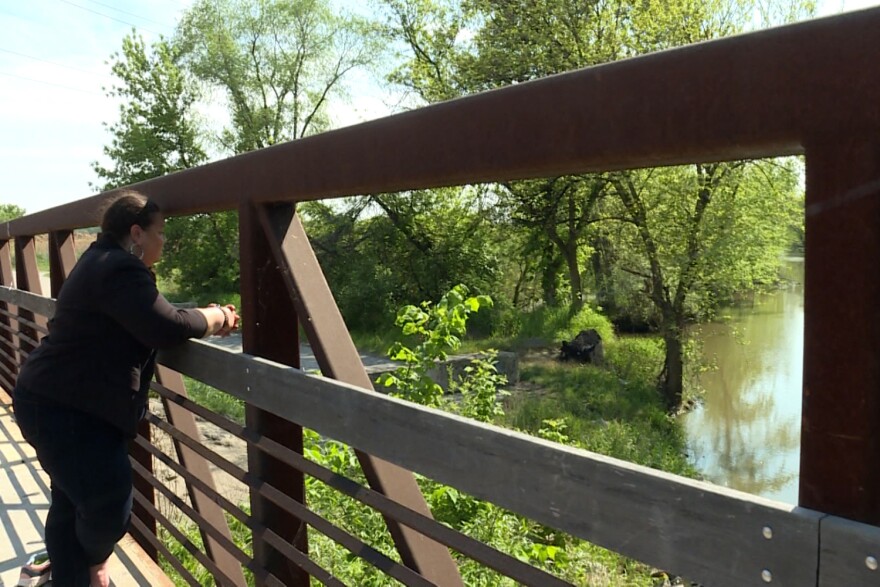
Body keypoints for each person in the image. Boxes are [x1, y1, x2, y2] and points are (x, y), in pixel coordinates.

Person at [12, 191, 239, 587]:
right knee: (108, 504)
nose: (163, 241)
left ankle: (70, 576)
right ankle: (87, 567)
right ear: (137, 232)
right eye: (160, 232)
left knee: (71, 502)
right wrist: (217, 315)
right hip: (65, 410)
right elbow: (168, 327)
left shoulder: (101, 261)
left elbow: (153, 316)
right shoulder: (116, 268)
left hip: (56, 402)